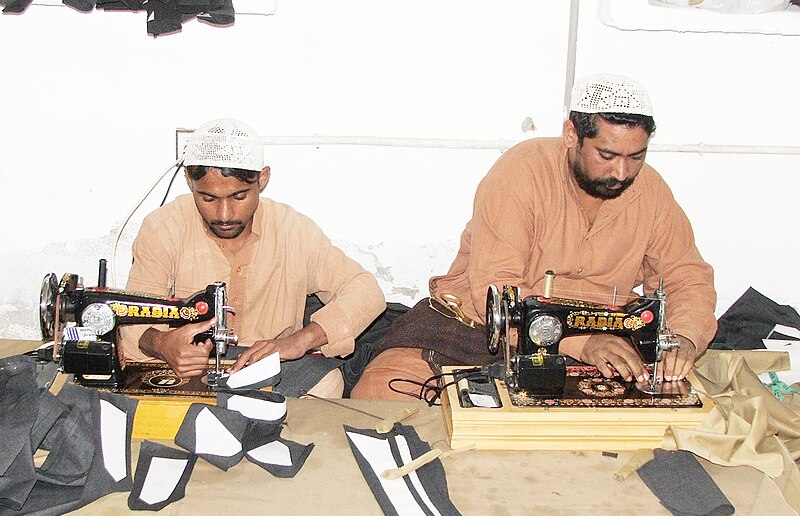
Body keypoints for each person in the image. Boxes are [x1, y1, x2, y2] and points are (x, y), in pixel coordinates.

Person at [352, 73, 717, 400]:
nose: (621, 172)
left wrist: (682, 337)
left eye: (636, 157)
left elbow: (687, 277)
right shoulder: (521, 173)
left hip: (601, 338)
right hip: (482, 327)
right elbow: (496, 289)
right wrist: (580, 342)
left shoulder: (651, 192)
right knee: (380, 398)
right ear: (572, 135)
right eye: (607, 155)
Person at [120, 117, 386, 398]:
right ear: (189, 181)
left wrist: (300, 341)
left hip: (267, 361)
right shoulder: (163, 229)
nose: (224, 215)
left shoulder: (292, 229)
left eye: (239, 196)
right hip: (186, 365)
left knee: (327, 383)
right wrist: (163, 343)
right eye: (208, 199)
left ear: (262, 179)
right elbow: (134, 318)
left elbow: (366, 292)